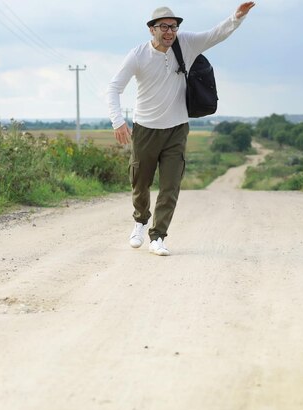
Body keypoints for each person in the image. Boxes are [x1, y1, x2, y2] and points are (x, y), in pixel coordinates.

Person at [107, 2, 255, 256]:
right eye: (163, 27)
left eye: (173, 26)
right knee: (140, 182)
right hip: (146, 128)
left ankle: (158, 237)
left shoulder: (185, 44)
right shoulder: (138, 55)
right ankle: (140, 221)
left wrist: (237, 17)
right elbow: (114, 87)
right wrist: (118, 121)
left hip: (177, 128)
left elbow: (215, 35)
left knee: (170, 185)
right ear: (151, 29)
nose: (169, 31)